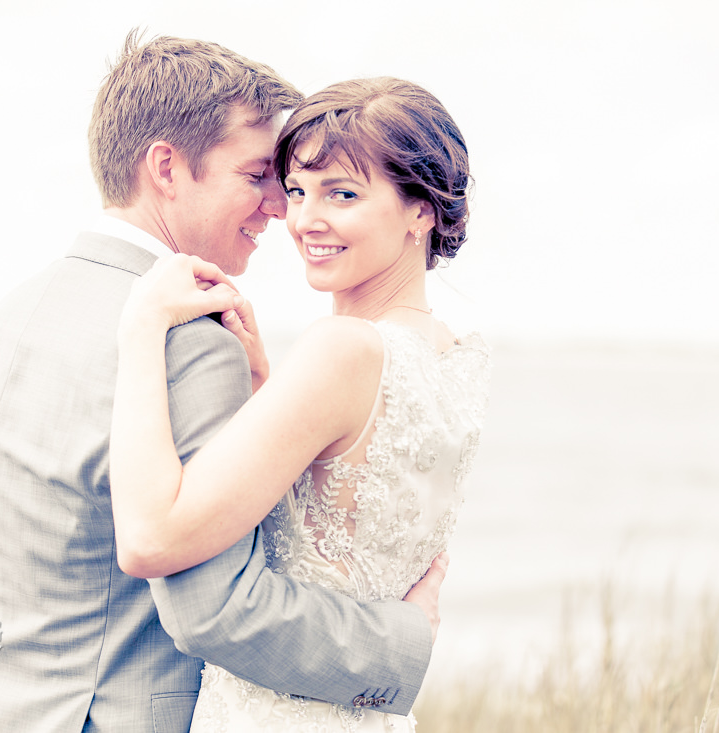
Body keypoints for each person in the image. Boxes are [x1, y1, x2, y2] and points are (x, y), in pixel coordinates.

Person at [0, 35, 445, 733]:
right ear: (166, 168)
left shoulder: (13, 312)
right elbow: (216, 606)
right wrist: (396, 643)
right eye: (255, 176)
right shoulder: (188, 342)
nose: (280, 207)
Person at [111, 76, 491, 731]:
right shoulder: (456, 354)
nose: (303, 219)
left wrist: (141, 327)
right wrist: (265, 382)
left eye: (342, 193)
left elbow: (149, 538)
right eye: (295, 190)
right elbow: (341, 513)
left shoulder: (341, 351)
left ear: (420, 209)